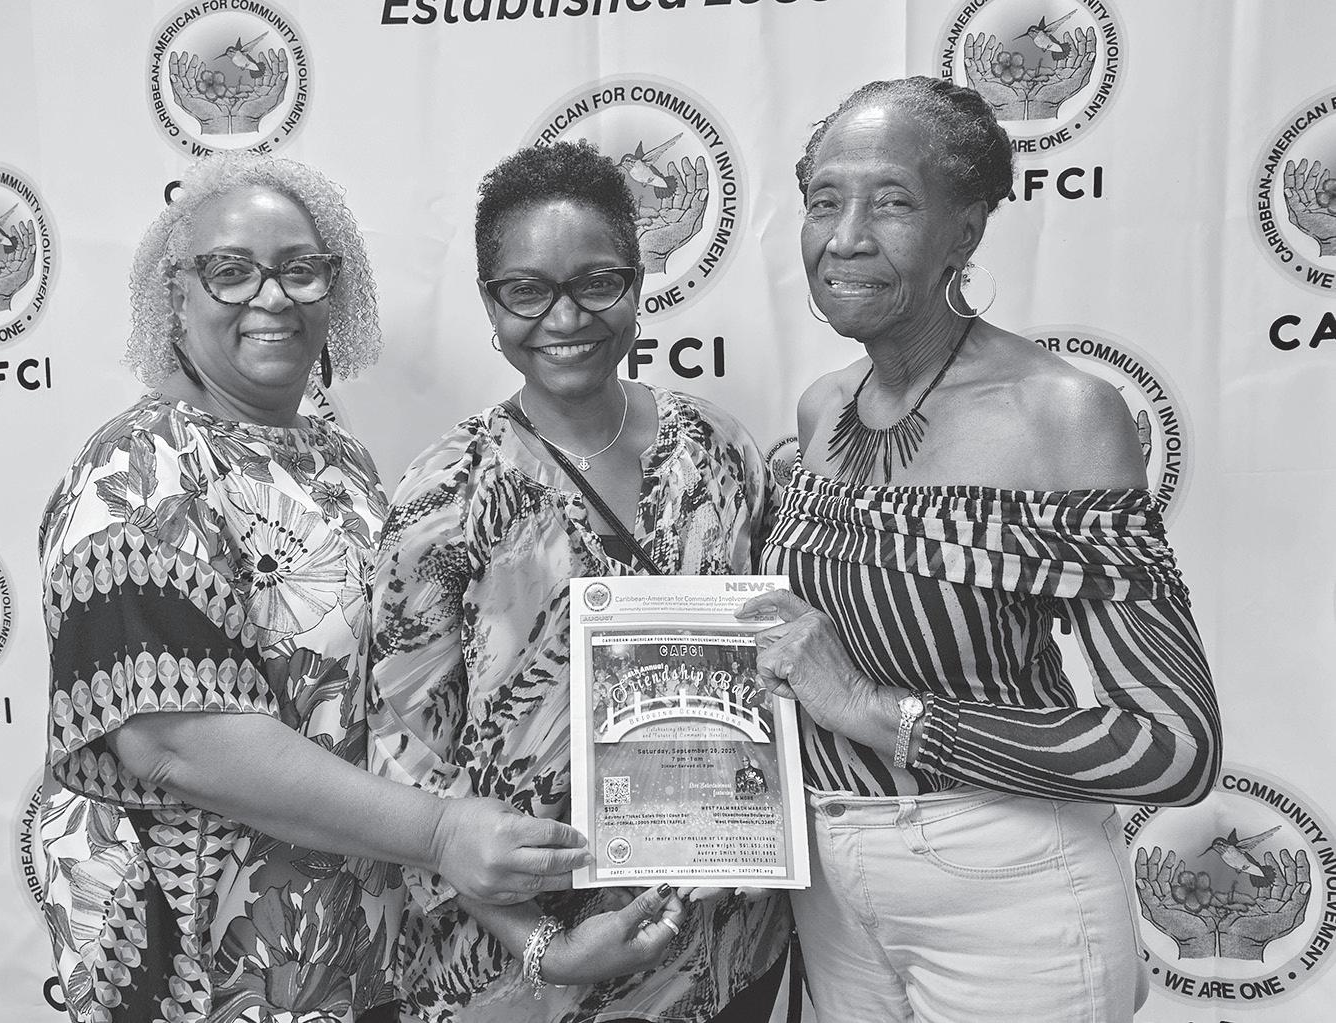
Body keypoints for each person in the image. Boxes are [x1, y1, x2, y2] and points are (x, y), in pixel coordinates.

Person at [37, 153, 590, 1023]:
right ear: (174, 295)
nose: (273, 296)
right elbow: (179, 744)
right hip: (210, 967)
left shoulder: (333, 455)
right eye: (230, 270)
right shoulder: (134, 475)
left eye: (301, 269)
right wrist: (442, 832)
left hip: (349, 951)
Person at [737, 77, 1222, 1022]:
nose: (845, 238)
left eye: (891, 203)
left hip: (1005, 884)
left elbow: (1172, 748)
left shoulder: (1060, 414)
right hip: (829, 885)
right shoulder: (822, 408)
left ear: (964, 230)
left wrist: (874, 711)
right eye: (824, 202)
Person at [368, 141, 790, 1023]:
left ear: (638, 284)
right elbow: (408, 763)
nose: (565, 316)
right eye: (526, 290)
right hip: (528, 973)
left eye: (598, 282)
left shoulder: (719, 449)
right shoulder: (446, 492)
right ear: (490, 304)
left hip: (724, 950)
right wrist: (543, 948)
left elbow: (771, 670)